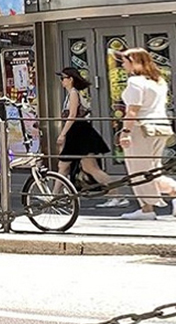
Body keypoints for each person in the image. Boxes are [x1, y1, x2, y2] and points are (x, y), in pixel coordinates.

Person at [55, 67, 127, 208]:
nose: (62, 81)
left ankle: (117, 195)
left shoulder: (74, 93)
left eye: (63, 78)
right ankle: (54, 195)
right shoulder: (72, 94)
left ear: (70, 79)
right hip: (79, 132)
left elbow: (72, 115)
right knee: (75, 167)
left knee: (77, 167)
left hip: (79, 132)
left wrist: (62, 134)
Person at [117, 48, 176, 220]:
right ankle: (152, 205)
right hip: (160, 127)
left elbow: (133, 110)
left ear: (135, 62)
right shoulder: (159, 81)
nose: (123, 65)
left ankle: (146, 209)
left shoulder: (135, 82)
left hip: (141, 129)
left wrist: (125, 132)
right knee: (152, 168)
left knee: (138, 170)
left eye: (125, 61)